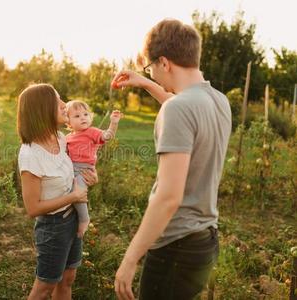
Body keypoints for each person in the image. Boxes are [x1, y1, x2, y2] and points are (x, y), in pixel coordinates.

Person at [111, 19, 232, 300]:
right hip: (204, 241)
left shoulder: (179, 109)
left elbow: (168, 197)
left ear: (164, 62)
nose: (152, 74)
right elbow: (181, 108)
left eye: (151, 68)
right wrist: (144, 83)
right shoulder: (217, 100)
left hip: (174, 247)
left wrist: (131, 258)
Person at [17, 83, 98, 300]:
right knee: (44, 288)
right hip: (53, 228)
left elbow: (75, 172)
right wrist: (73, 196)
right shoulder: (30, 154)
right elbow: (33, 208)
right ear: (42, 108)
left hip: (73, 218)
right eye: (57, 101)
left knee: (68, 278)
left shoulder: (61, 139)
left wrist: (91, 176)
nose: (65, 105)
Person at [65, 100, 123, 237]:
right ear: (68, 123)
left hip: (84, 170)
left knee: (77, 191)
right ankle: (71, 212)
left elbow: (107, 136)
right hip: (70, 169)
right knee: (67, 191)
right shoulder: (67, 137)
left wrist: (114, 123)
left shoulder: (92, 132)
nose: (83, 118)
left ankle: (84, 219)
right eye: (77, 116)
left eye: (85, 114)